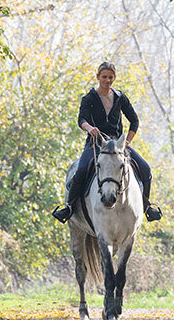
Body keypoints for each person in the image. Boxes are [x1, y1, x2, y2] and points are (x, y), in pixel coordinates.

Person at [52, 61, 162, 223]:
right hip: (96, 144)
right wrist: (89, 128)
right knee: (82, 170)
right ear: (98, 77)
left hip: (117, 145)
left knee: (145, 168)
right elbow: (81, 119)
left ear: (114, 78)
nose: (107, 80)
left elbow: (134, 121)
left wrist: (127, 141)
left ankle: (147, 207)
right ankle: (68, 207)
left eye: (110, 77)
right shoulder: (89, 98)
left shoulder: (120, 97)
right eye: (104, 77)